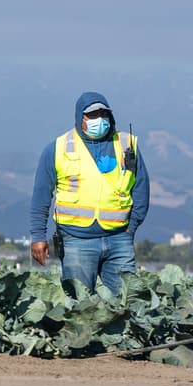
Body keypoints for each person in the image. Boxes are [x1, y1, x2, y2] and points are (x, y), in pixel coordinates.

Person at [30, 92, 149, 295]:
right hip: (76, 240)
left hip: (119, 237)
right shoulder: (58, 148)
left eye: (103, 114)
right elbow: (41, 196)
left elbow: (141, 187)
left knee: (129, 303)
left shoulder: (126, 144)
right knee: (80, 306)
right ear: (80, 118)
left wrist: (131, 228)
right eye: (92, 115)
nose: (99, 120)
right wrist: (38, 236)